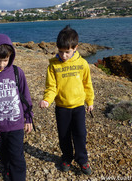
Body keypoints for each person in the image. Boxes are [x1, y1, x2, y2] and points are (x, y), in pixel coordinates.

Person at [39, 25, 94, 175]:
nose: (63, 55)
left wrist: (90, 101)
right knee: (63, 135)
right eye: (61, 51)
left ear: (75, 47)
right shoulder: (53, 65)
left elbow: (87, 84)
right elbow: (51, 87)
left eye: (67, 52)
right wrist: (47, 100)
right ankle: (67, 158)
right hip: (62, 107)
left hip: (78, 107)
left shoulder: (82, 64)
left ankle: (82, 159)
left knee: (80, 135)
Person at [0, 34, 33, 181]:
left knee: (17, 157)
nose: (2, 64)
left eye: (5, 60)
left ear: (11, 56)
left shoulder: (17, 72)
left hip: (16, 124)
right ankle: (8, 170)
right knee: (3, 155)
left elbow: (26, 97)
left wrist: (28, 118)